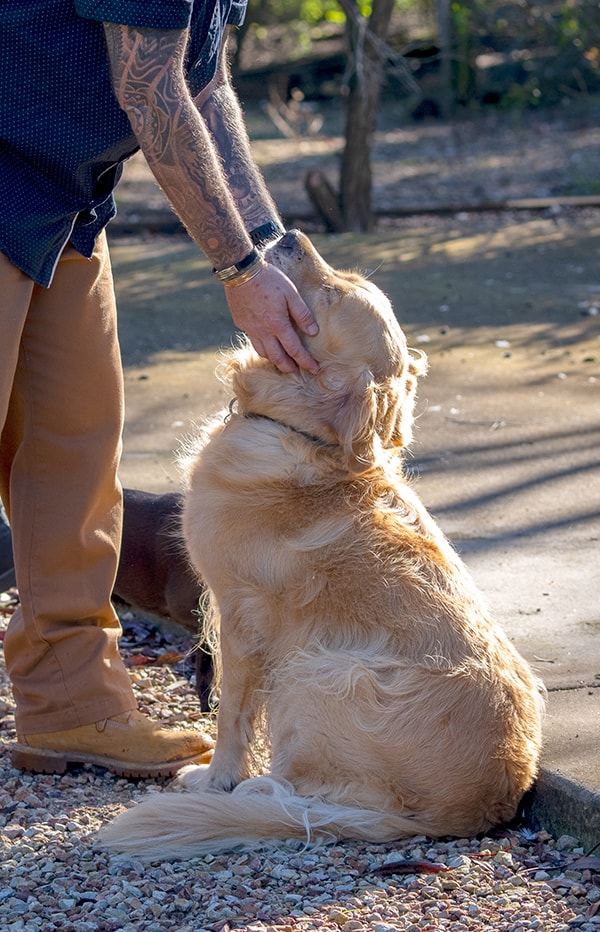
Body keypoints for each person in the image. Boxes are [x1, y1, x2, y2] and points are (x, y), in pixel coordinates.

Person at [0, 0, 319, 778]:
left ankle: (74, 709)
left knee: (72, 463)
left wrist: (269, 242)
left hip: (59, 202)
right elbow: (150, 91)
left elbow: (202, 83)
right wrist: (239, 270)